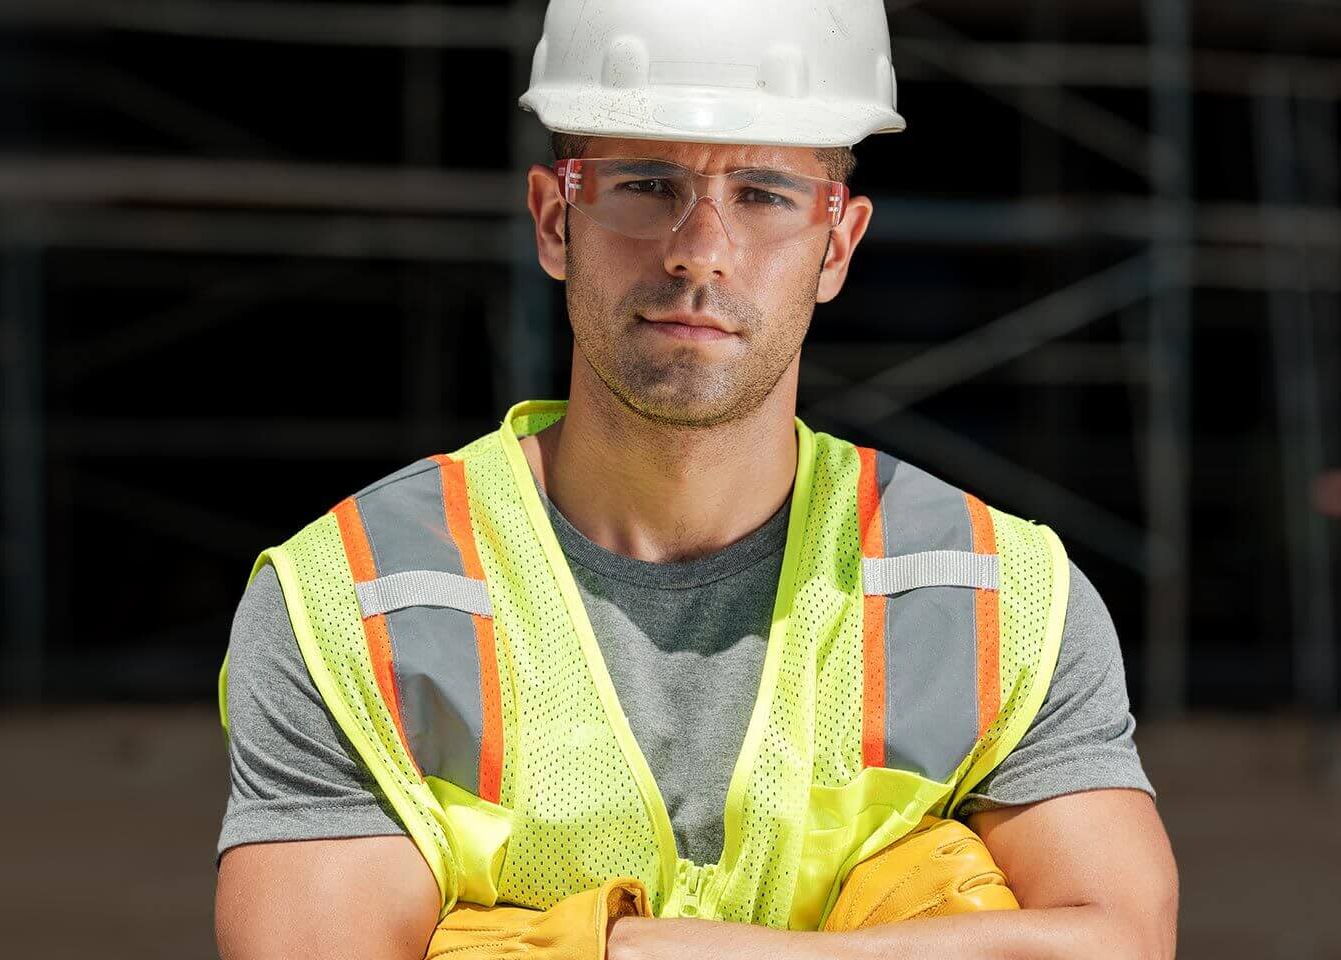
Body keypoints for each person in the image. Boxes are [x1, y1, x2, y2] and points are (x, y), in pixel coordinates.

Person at [211, 1, 1178, 957]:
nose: (698, 250)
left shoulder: (996, 599)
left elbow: (1123, 940)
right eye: (644, 183)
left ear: (837, 244)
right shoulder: (353, 607)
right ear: (556, 220)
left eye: (763, 194)